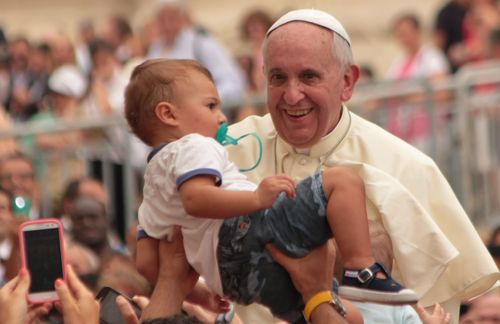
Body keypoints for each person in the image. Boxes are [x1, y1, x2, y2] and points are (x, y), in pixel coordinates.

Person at [219, 8, 499, 324]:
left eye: (309, 76)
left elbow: (433, 308)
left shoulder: (409, 169)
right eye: (278, 77)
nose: (292, 95)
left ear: (348, 81)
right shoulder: (225, 152)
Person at [125, 58, 417, 322]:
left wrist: (199, 293)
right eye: (211, 105)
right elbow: (195, 199)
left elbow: (148, 263)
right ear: (168, 114)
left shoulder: (152, 184)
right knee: (342, 181)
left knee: (347, 315)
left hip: (235, 280)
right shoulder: (194, 145)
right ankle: (363, 270)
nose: (222, 117)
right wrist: (255, 198)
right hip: (247, 233)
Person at [147, 0, 246, 117]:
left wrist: (201, 103)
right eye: (162, 19)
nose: (167, 25)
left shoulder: (201, 43)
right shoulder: (155, 50)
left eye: (172, 18)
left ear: (182, 17)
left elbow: (232, 83)